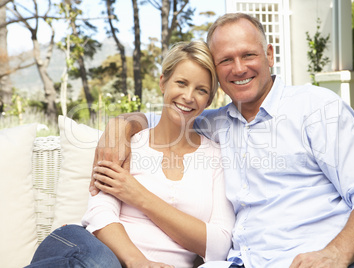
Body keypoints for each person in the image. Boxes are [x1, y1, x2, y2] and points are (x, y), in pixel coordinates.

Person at [90, 13, 354, 268]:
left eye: (248, 55)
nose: (239, 69)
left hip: (313, 258)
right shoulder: (214, 124)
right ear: (216, 72)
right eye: (226, 60)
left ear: (269, 55)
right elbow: (169, 116)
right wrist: (121, 125)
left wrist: (337, 253)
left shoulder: (317, 108)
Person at [27, 41, 235, 268]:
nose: (188, 96)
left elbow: (219, 244)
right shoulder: (125, 144)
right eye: (181, 83)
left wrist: (138, 196)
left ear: (210, 99)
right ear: (163, 82)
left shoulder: (216, 157)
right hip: (89, 252)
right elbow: (99, 213)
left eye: (201, 90)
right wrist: (138, 262)